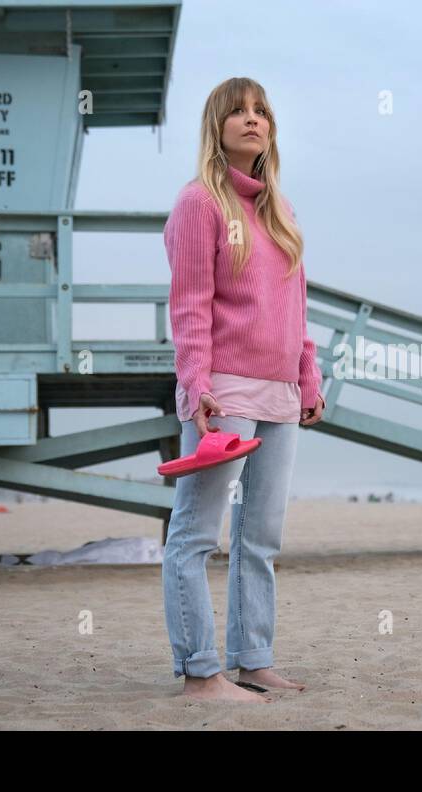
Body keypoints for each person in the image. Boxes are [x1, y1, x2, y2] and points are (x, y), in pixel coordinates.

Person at [161, 77, 326, 704]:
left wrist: (308, 374)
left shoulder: (281, 211)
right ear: (217, 126)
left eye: (262, 111)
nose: (252, 119)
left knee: (260, 538)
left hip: (279, 392)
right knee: (196, 535)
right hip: (224, 391)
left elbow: (295, 308)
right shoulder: (198, 204)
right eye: (238, 111)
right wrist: (196, 384)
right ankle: (200, 673)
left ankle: (253, 660)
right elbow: (190, 306)